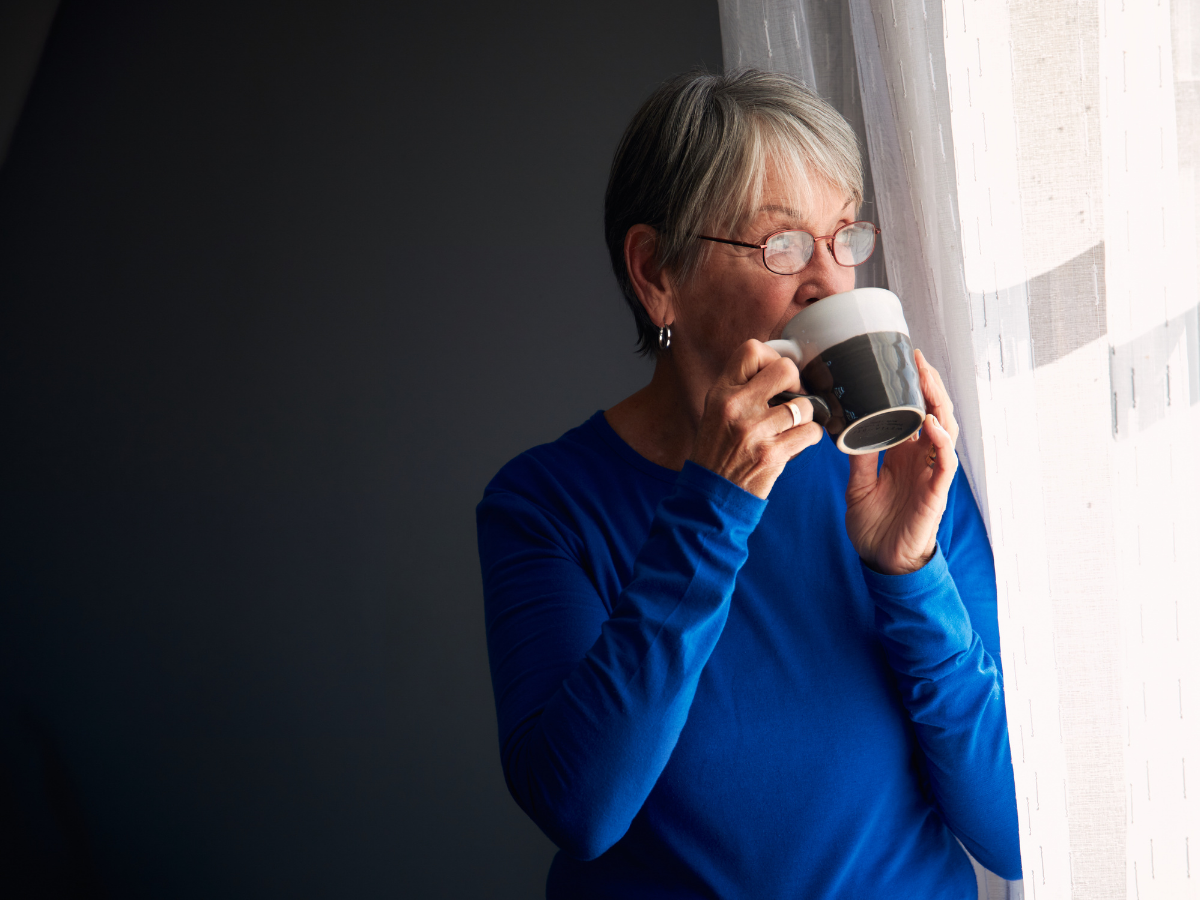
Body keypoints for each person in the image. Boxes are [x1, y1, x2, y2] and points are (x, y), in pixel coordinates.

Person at [477, 69, 1021, 898]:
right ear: (657, 272)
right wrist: (715, 507)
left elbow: (1017, 830)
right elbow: (579, 808)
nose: (831, 282)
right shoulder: (547, 504)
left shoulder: (900, 474)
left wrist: (910, 575)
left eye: (845, 237)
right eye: (784, 245)